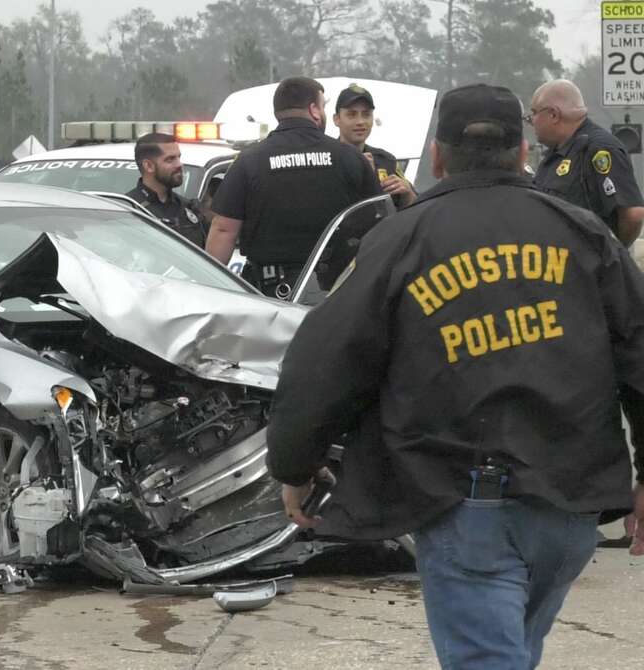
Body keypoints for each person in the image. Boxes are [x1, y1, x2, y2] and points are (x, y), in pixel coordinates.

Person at [266, 84, 644, 669]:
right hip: (569, 510)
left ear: (438, 157)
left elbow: (325, 358)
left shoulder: (400, 237)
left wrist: (294, 463)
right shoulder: (584, 234)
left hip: (470, 506)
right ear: (522, 151)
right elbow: (640, 353)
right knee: (513, 652)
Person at [206, 76, 381, 297]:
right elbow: (378, 225)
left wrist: (209, 292)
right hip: (336, 292)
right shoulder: (350, 158)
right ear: (314, 110)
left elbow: (224, 229)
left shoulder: (249, 161)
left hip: (268, 293)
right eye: (323, 106)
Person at [529, 79, 644, 246]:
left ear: (553, 114)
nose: (531, 121)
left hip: (587, 267)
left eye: (534, 113)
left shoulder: (599, 149)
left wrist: (612, 255)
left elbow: (632, 215)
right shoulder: (556, 153)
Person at [333, 83, 417, 208]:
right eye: (352, 115)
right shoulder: (328, 158)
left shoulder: (386, 160)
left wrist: (407, 194)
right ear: (336, 119)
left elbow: (413, 209)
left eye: (366, 115)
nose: (360, 122)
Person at [124, 133, 206, 246]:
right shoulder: (128, 210)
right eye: (170, 159)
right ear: (148, 166)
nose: (179, 164)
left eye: (179, 157)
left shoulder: (188, 208)